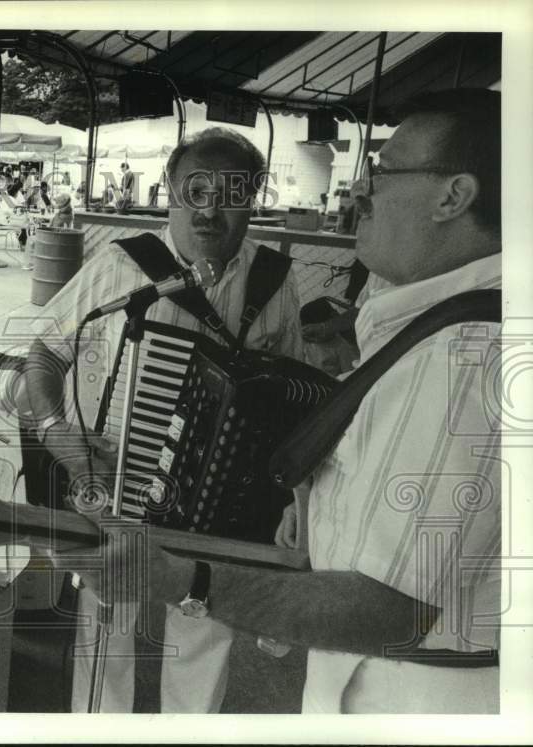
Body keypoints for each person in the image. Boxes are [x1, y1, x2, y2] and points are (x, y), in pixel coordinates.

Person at [90, 88, 503, 714]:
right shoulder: (437, 323)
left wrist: (185, 580)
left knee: (193, 649)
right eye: (194, 192)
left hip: (403, 698)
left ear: (454, 196)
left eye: (383, 172)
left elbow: (388, 609)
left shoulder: (465, 357)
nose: (360, 191)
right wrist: (312, 500)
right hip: (379, 680)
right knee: (105, 639)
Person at [20, 127, 303, 713]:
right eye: (194, 191)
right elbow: (44, 352)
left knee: (205, 633)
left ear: (254, 201)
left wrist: (287, 497)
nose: (209, 210)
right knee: (107, 624)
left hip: (221, 499)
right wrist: (61, 439)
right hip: (117, 478)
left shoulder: (275, 281)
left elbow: (295, 395)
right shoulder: (123, 266)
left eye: (231, 195)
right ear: (169, 191)